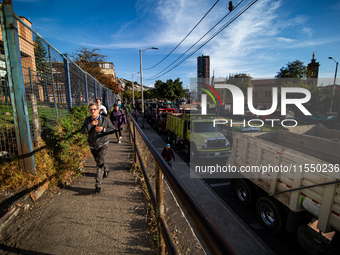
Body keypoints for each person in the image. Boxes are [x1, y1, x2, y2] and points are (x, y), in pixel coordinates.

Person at [81, 103, 115, 194]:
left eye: (94, 109)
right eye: (90, 109)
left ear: (98, 110)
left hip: (103, 144)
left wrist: (103, 130)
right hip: (92, 145)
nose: (92, 111)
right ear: (89, 111)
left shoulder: (105, 119)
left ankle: (98, 185)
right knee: (98, 161)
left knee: (99, 164)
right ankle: (106, 169)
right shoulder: (87, 120)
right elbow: (83, 131)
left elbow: (113, 129)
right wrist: (90, 124)